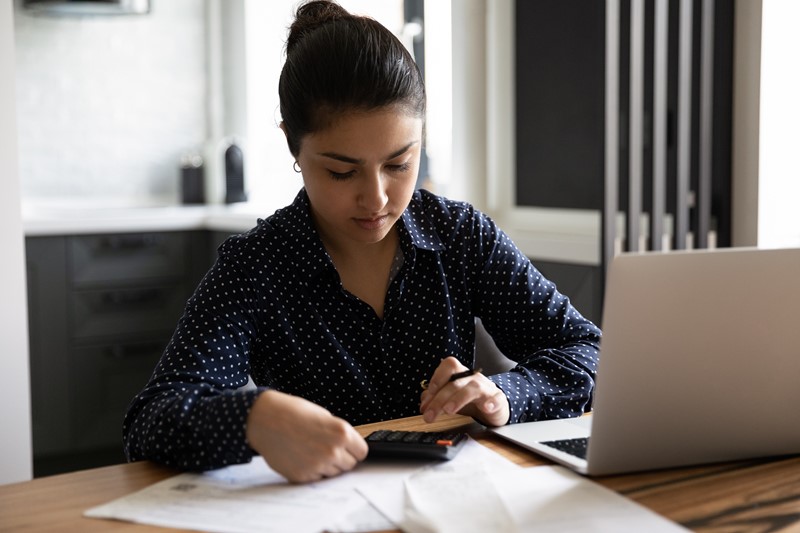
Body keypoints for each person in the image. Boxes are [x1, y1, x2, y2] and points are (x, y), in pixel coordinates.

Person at [123, 0, 601, 483]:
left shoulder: (460, 235)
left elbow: (589, 349)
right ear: (293, 144)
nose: (376, 198)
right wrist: (252, 418)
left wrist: (504, 396)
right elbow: (150, 421)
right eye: (341, 171)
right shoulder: (257, 265)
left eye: (399, 164)